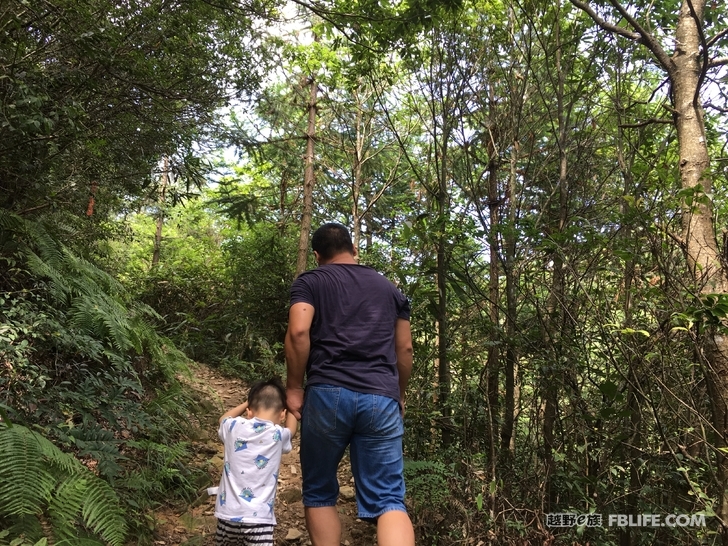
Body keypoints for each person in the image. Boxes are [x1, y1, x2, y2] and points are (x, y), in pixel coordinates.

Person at [285, 222, 415, 546]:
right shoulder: (390, 289)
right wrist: (397, 395)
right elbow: (406, 349)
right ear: (354, 249)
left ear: (317, 255)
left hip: (327, 393)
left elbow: (299, 332)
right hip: (381, 397)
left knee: (319, 490)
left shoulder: (311, 281)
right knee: (389, 500)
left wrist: (294, 388)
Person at [214, 378, 298, 546]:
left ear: (249, 411)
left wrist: (247, 402)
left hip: (227, 515)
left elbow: (222, 419)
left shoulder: (233, 427)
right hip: (259, 519)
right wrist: (291, 405)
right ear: (282, 413)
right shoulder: (278, 435)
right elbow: (292, 429)